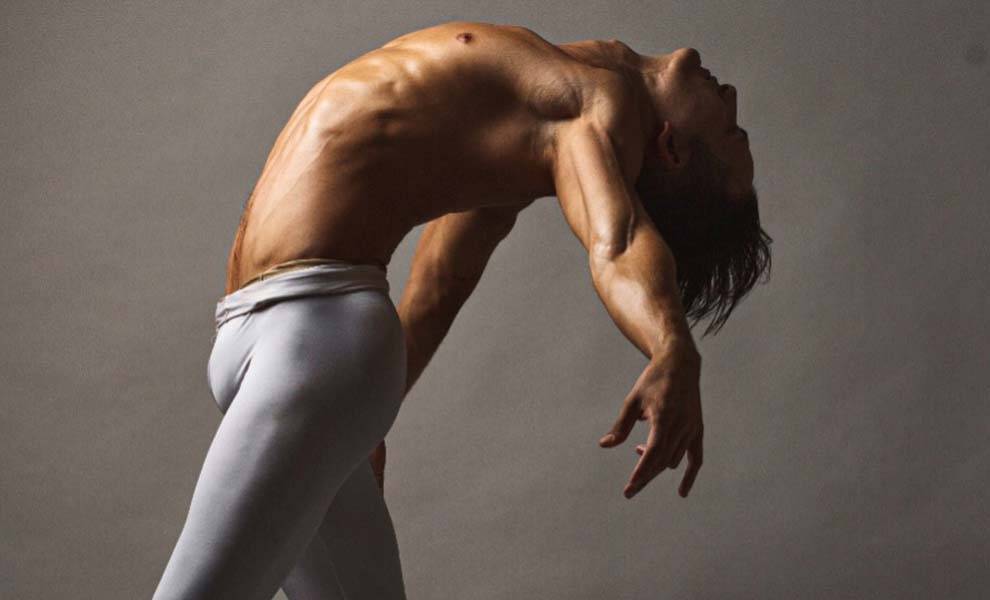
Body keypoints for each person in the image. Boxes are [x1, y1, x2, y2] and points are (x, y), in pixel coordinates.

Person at [153, 19, 771, 600]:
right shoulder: (521, 126)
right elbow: (440, 284)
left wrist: (671, 344)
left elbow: (619, 241)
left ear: (672, 150)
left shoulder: (593, 106)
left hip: (313, 345)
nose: (734, 96)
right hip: (294, 345)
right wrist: (375, 421)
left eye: (732, 130)